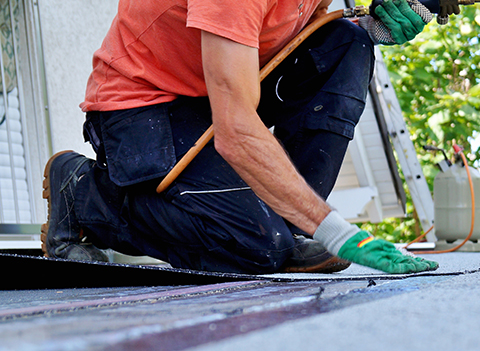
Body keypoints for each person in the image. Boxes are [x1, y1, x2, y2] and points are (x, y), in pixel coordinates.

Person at [41, 0, 439, 274]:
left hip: (222, 83)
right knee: (257, 245)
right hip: (144, 104)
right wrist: (337, 232)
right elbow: (236, 130)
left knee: (349, 43)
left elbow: (301, 26)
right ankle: (84, 195)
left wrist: (384, 19)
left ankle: (288, 225)